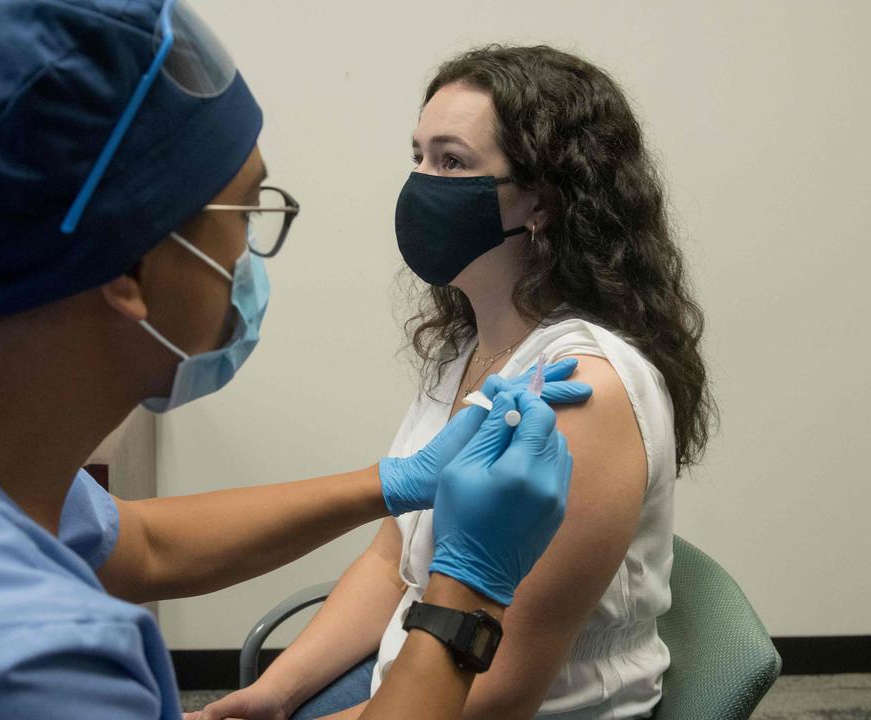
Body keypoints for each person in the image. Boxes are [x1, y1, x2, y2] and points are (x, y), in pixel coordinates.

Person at [0, 4, 594, 719]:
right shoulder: (27, 670)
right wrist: (468, 592)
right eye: (243, 213)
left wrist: (394, 482)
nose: (249, 255)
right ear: (132, 268)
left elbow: (139, 544)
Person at [195, 45, 715, 720]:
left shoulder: (582, 391)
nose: (420, 183)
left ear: (544, 201)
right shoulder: (469, 346)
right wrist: (271, 695)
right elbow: (394, 562)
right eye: (417, 155)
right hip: (418, 671)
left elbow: (499, 690)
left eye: (452, 161)